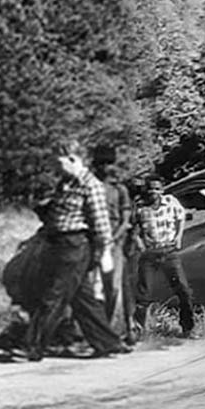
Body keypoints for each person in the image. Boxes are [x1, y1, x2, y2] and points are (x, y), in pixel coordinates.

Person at [22, 139, 130, 361]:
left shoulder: (91, 185)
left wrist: (106, 253)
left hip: (75, 246)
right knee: (83, 299)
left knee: (54, 294)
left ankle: (33, 345)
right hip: (58, 245)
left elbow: (101, 223)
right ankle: (108, 343)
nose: (56, 168)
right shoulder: (66, 183)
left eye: (59, 163)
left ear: (73, 159)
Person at [132, 175, 195, 338]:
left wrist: (179, 236)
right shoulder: (139, 206)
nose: (154, 192)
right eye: (150, 188)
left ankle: (187, 328)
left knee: (183, 290)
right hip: (150, 253)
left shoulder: (171, 202)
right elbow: (132, 229)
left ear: (162, 190)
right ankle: (139, 332)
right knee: (144, 293)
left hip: (169, 251)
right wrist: (139, 243)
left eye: (157, 188)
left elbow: (180, 218)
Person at [92, 145, 134, 341]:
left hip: (115, 243)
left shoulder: (120, 189)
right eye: (101, 164)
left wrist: (116, 236)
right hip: (93, 242)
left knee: (114, 287)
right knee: (93, 289)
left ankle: (113, 329)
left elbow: (126, 219)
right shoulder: (90, 187)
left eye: (108, 163)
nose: (105, 168)